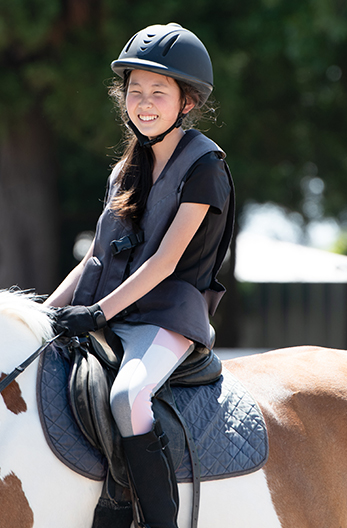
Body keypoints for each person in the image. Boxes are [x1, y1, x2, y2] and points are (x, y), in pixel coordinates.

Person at [46, 22, 234, 528]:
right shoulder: (125, 169)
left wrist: (98, 312)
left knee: (129, 396)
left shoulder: (205, 167)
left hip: (167, 316)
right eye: (135, 92)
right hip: (111, 310)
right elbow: (95, 260)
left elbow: (166, 262)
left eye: (158, 92)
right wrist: (42, 315)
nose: (143, 103)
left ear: (187, 102)